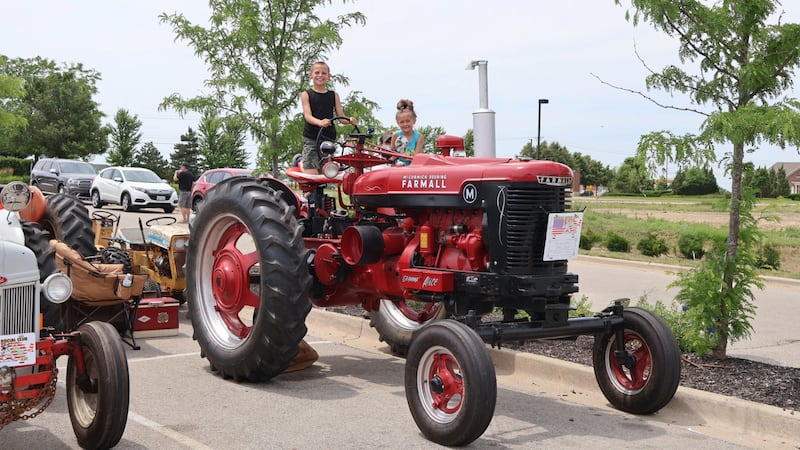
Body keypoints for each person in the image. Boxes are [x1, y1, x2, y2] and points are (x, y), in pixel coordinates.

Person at [300, 61, 356, 175]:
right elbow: (308, 116)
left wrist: (350, 120)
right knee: (311, 173)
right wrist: (319, 122)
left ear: (329, 76)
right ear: (311, 75)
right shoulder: (306, 94)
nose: (320, 75)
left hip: (328, 138)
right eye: (317, 73)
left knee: (326, 172)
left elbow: (341, 118)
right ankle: (301, 162)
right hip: (312, 137)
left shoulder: (333, 95)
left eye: (324, 73)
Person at [390, 99, 425, 165]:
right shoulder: (395, 135)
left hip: (413, 168)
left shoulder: (419, 137)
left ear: (414, 121)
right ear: (398, 123)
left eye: (408, 121)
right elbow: (392, 155)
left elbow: (416, 157)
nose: (405, 124)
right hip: (397, 168)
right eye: (402, 122)